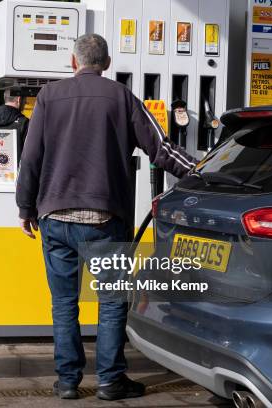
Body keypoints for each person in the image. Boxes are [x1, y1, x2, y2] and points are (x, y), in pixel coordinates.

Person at [16, 34, 198, 401]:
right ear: (108, 63)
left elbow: (30, 158)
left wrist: (25, 208)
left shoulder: (48, 98)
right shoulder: (122, 97)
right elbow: (160, 149)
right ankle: (110, 380)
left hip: (55, 216)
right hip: (104, 218)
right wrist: (203, 172)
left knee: (63, 303)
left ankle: (68, 381)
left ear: (72, 62)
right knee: (111, 301)